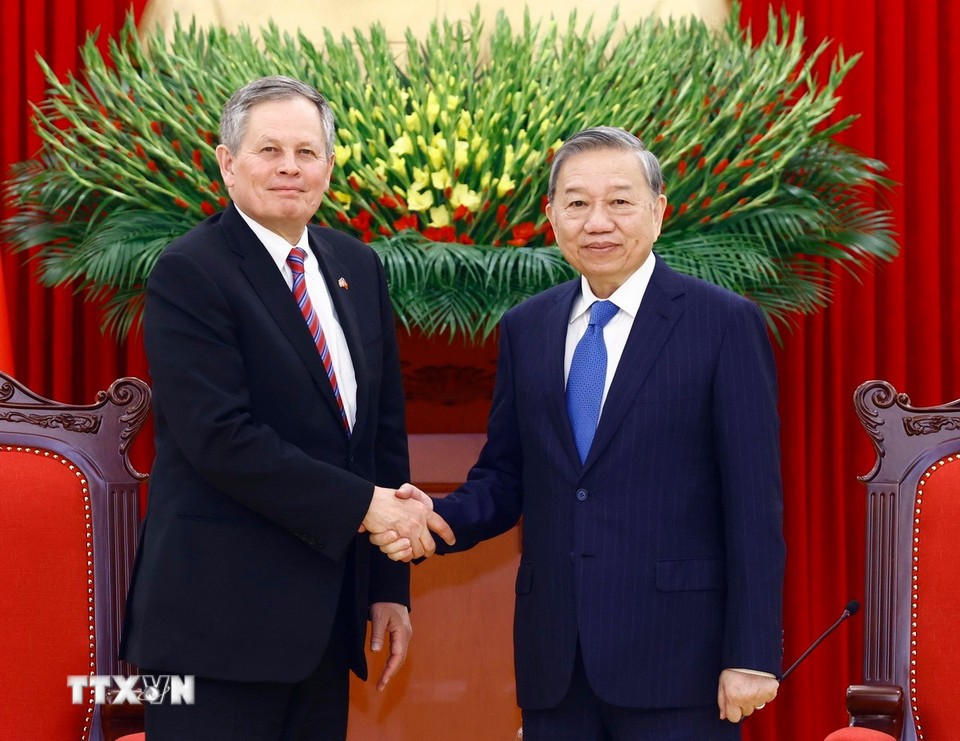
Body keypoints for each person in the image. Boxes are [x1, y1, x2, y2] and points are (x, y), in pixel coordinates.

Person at [375, 126, 785, 740]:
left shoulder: (723, 323)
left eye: (619, 201)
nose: (598, 221)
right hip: (556, 662)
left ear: (657, 211)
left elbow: (754, 501)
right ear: (551, 216)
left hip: (680, 661)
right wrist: (434, 518)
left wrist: (751, 652)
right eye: (576, 202)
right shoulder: (527, 327)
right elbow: (506, 475)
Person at [120, 75, 453, 740]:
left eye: (306, 152)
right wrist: (367, 507)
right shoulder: (192, 271)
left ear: (330, 168)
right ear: (227, 161)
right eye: (269, 150)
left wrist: (389, 585)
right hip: (214, 630)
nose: (289, 167)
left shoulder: (355, 265)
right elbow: (221, 437)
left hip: (323, 627)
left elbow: (381, 435)